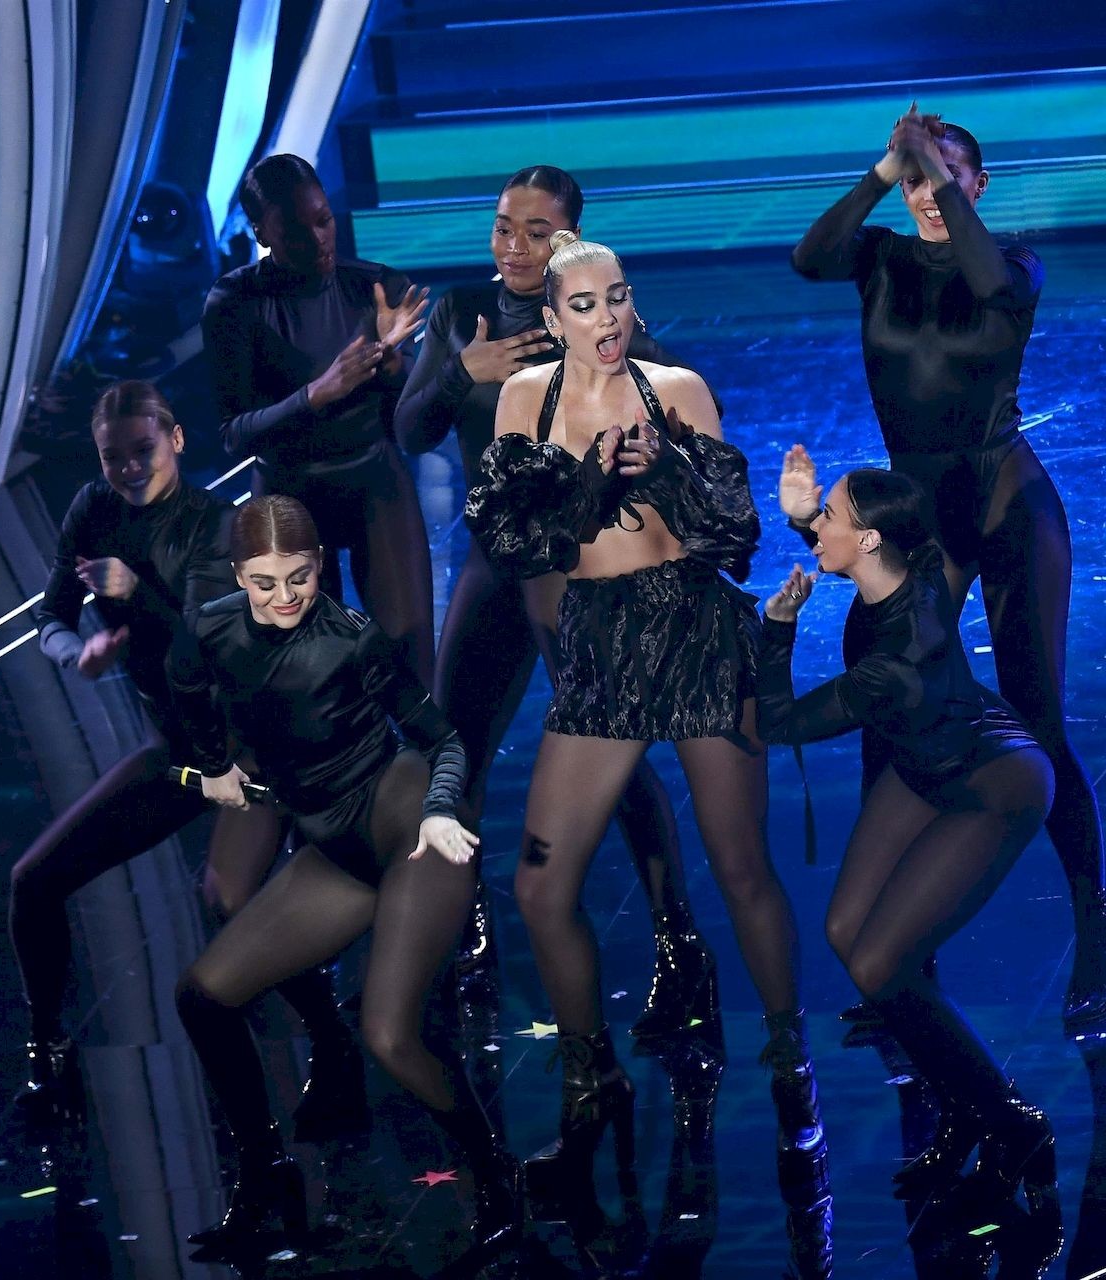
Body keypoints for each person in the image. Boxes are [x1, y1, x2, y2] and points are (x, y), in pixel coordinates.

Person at [465, 231, 829, 1278]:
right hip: (599, 650)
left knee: (741, 867)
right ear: (553, 319)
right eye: (585, 305)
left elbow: (734, 538)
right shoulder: (523, 402)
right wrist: (585, 487)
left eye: (619, 298)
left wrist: (664, 468)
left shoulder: (678, 391)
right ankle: (593, 1080)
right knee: (541, 886)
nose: (609, 319)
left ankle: (790, 1061)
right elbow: (513, 543)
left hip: (697, 633)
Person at [790, 104, 1106, 1026]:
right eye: (918, 180)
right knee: (890, 709)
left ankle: (1096, 929)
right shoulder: (881, 259)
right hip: (918, 512)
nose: (930, 194)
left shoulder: (1014, 264)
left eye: (948, 177)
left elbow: (988, 283)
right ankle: (905, 957)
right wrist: (884, 171)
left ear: (979, 184)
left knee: (1037, 713)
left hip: (1007, 499)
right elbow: (809, 259)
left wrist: (934, 170)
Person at [394, 164, 714, 1032]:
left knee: (613, 756)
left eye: (536, 232)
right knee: (453, 750)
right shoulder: (464, 312)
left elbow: (678, 409)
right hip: (496, 563)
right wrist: (458, 374)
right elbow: (411, 430)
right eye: (504, 226)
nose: (513, 246)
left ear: (569, 238)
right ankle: (466, 940)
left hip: (582, 572)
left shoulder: (592, 314)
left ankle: (679, 945)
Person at [164, 495, 513, 1265]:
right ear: (237, 576)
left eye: (299, 577)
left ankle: (495, 1177)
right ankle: (266, 1181)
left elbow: (444, 740)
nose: (284, 597)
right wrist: (214, 765)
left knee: (390, 1035)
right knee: (204, 996)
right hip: (335, 849)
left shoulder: (353, 640)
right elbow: (180, 685)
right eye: (264, 583)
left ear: (320, 565)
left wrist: (441, 810)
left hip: (412, 830)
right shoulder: (210, 628)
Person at [10, 382, 360, 1140]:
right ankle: (48, 1054)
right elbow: (51, 617)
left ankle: (333, 1044)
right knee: (33, 882)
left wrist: (136, 594)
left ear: (175, 441)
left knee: (229, 899)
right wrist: (79, 652)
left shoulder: (216, 527)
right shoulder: (93, 510)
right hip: (181, 750)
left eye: (143, 450)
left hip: (254, 742)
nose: (129, 469)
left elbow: (211, 651)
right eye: (113, 457)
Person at [757, 467, 1062, 1252]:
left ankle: (1014, 1123)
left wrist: (779, 627)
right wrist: (805, 520)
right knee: (845, 932)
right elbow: (858, 551)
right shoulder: (906, 564)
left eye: (828, 517)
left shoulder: (893, 663)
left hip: (991, 784)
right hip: (928, 757)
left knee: (879, 964)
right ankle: (962, 1109)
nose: (817, 528)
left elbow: (777, 723)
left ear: (866, 538)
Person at [202, 153, 435, 679]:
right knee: (311, 675)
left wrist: (394, 362)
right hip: (288, 495)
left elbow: (419, 420)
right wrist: (316, 393)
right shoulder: (235, 303)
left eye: (323, 220)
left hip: (374, 478)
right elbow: (232, 435)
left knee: (412, 659)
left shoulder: (376, 288)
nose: (318, 240)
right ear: (262, 233)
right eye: (294, 231)